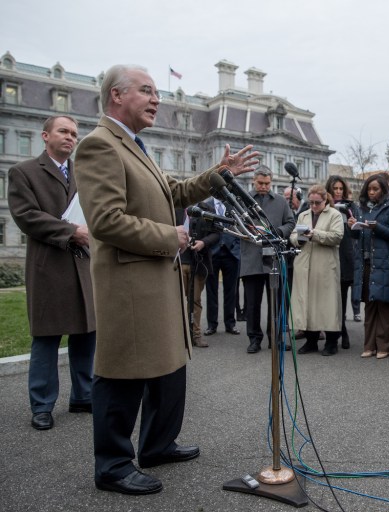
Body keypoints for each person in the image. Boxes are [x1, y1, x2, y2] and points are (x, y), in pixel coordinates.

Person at [74, 64, 260, 495]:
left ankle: (157, 444)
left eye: (157, 91)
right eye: (147, 90)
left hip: (155, 280)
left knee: (167, 365)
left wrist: (218, 175)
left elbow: (173, 192)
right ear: (117, 96)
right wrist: (170, 237)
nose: (157, 99)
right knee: (123, 373)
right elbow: (105, 221)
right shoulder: (100, 145)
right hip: (129, 283)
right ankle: (114, 465)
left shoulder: (135, 146)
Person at [8, 115, 96, 431]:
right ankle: (42, 405)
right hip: (49, 265)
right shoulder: (24, 172)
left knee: (86, 334)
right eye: (63, 131)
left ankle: (83, 396)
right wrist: (72, 231)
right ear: (45, 136)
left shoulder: (82, 174)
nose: (71, 137)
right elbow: (26, 216)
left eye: (74, 133)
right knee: (47, 337)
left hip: (83, 264)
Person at [240, 167, 295, 354]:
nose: (263, 187)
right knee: (253, 303)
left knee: (276, 303)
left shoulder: (280, 201)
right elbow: (234, 222)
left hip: (274, 259)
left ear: (271, 182)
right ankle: (254, 339)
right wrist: (248, 231)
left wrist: (279, 233)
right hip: (252, 258)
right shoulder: (243, 200)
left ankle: (277, 338)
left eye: (267, 183)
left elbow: (290, 222)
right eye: (260, 183)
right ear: (254, 181)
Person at [348, 174, 389, 358]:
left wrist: (376, 227)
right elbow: (357, 236)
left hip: (385, 262)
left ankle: (384, 346)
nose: (371, 192)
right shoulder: (361, 208)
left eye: (375, 189)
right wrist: (353, 227)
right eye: (369, 189)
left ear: (384, 190)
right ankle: (369, 345)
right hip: (365, 262)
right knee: (369, 305)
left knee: (384, 304)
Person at [290, 184, 345, 355]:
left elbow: (337, 236)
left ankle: (331, 342)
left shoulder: (334, 214)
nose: (313, 206)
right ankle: (311, 340)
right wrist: (298, 239)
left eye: (317, 203)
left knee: (327, 304)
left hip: (325, 267)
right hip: (304, 265)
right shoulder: (303, 215)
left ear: (325, 201)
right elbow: (292, 235)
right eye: (311, 202)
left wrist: (314, 234)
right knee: (307, 303)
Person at [178, 202, 220, 348]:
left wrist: (203, 242)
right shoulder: (176, 207)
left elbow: (216, 233)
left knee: (195, 300)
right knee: (177, 301)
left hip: (199, 262)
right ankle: (180, 335)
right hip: (179, 261)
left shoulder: (207, 209)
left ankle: (196, 334)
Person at [326, 175, 361, 349]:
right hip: (327, 255)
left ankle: (343, 328)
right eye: (335, 189)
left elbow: (358, 233)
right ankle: (334, 330)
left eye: (341, 189)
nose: (338, 192)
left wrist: (352, 224)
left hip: (345, 256)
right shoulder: (323, 205)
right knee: (329, 298)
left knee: (342, 296)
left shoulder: (351, 207)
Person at [204, 195, 241, 337]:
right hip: (212, 253)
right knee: (211, 290)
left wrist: (237, 245)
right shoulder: (206, 205)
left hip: (231, 253)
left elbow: (240, 226)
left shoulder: (234, 205)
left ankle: (230, 323)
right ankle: (211, 325)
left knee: (231, 291)